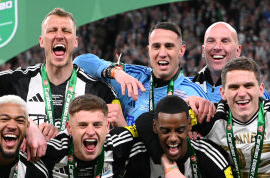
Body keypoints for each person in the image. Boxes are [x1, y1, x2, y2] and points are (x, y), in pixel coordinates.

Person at [0, 9, 117, 158]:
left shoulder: (99, 91)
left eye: (66, 31)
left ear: (75, 42)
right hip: (28, 174)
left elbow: (114, 140)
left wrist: (63, 135)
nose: (59, 36)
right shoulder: (15, 82)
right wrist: (29, 128)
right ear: (41, 41)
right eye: (52, 30)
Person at [74, 21, 215, 125]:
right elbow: (81, 61)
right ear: (148, 50)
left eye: (169, 46)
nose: (162, 53)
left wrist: (123, 127)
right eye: (156, 46)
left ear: (182, 50)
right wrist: (115, 72)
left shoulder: (194, 94)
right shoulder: (132, 77)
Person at [190, 21, 242, 102]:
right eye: (211, 41)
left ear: (238, 51)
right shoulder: (185, 91)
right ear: (203, 50)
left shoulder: (256, 95)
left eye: (225, 41)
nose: (217, 47)